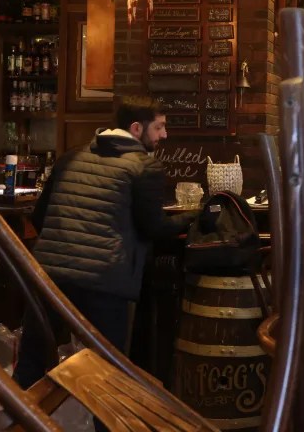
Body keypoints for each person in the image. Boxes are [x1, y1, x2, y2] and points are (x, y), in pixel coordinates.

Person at [14, 96, 194, 392]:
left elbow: (40, 215)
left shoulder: (71, 156)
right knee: (105, 374)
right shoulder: (144, 166)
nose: (164, 135)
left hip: (49, 278)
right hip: (103, 283)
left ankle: (20, 423)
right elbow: (154, 228)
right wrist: (190, 218)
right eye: (159, 127)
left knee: (31, 367)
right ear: (137, 128)